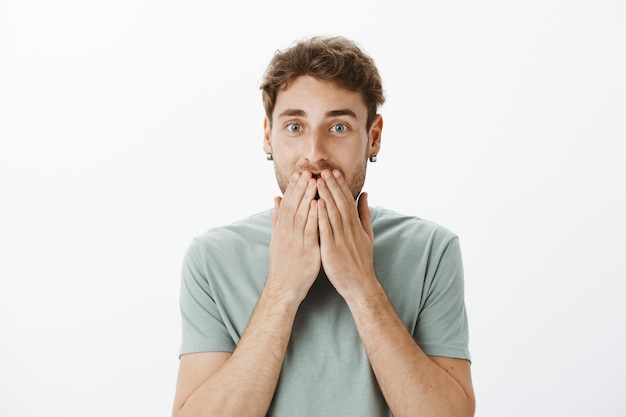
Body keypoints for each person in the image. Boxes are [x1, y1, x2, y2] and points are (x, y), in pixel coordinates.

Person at [172, 36, 475, 417]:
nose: (314, 153)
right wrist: (282, 291)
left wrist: (362, 286)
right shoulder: (211, 258)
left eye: (339, 128)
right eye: (295, 127)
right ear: (268, 136)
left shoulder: (432, 250)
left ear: (373, 137)